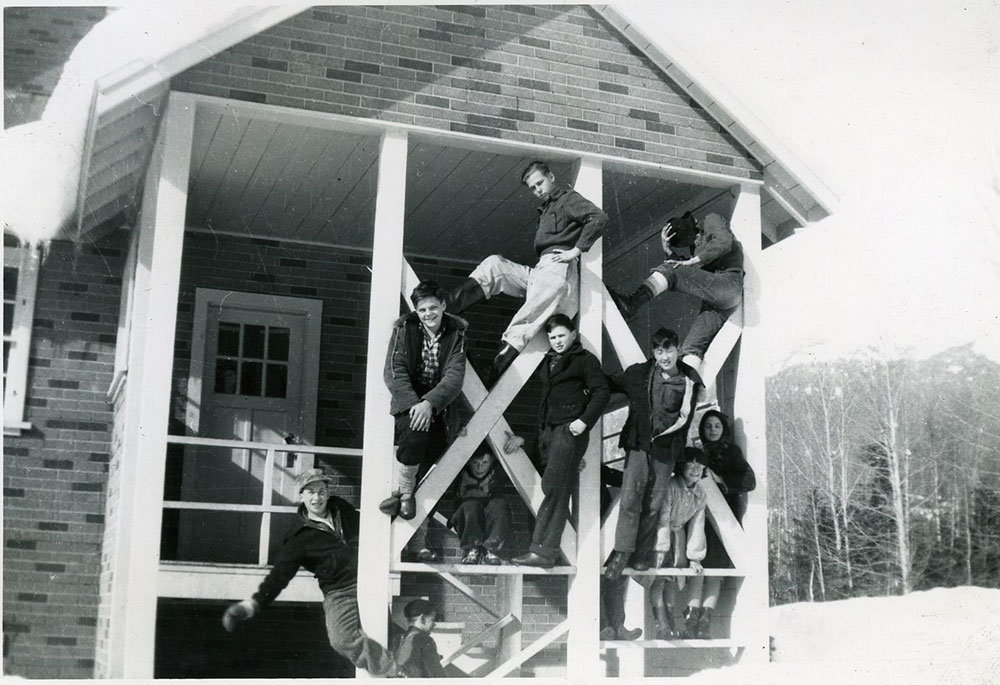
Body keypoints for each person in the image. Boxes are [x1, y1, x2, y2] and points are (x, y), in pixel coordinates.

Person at [221, 469, 396, 676]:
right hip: (339, 590)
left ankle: (404, 665)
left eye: (321, 491)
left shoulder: (341, 508)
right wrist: (252, 604)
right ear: (301, 496)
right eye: (311, 492)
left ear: (328, 493)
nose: (317, 498)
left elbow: (369, 526)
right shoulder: (298, 539)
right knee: (341, 639)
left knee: (386, 632)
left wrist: (389, 512)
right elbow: (278, 577)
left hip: (369, 578)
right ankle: (392, 671)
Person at [444, 161, 608, 381]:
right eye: (533, 188)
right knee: (495, 265)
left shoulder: (568, 199)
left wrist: (576, 251)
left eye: (540, 183)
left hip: (558, 270)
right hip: (541, 271)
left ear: (551, 176)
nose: (537, 190)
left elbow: (598, 217)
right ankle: (448, 307)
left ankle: (493, 370)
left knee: (525, 319)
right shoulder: (546, 209)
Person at [505, 314, 609, 568]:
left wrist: (583, 421)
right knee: (554, 488)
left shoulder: (584, 360)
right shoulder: (549, 361)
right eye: (552, 337)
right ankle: (546, 550)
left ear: (573, 334)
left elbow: (602, 392)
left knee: (553, 487)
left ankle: (543, 550)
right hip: (548, 432)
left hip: (568, 430)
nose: (557, 341)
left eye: (562, 335)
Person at [383, 280, 468, 556]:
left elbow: (454, 376)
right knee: (415, 437)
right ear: (416, 311)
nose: (428, 314)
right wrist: (414, 406)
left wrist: (430, 403)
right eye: (422, 309)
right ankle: (405, 494)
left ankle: (416, 537)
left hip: (438, 407)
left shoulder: (456, 334)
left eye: (433, 307)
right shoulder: (404, 329)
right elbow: (394, 371)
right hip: (410, 405)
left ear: (443, 306)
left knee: (429, 475)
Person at [610, 212, 743, 386]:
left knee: (671, 270)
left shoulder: (711, 219)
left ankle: (632, 303)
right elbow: (687, 272)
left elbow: (724, 242)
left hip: (727, 283)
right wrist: (668, 250)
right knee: (691, 347)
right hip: (717, 300)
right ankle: (685, 395)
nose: (694, 244)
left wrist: (692, 261)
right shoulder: (696, 248)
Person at [602, 328, 693, 580]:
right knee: (631, 500)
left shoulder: (687, 381)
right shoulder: (640, 374)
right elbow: (611, 382)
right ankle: (621, 554)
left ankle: (641, 553)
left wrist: (680, 456)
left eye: (670, 350)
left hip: (666, 453)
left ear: (678, 350)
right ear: (654, 352)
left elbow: (687, 420)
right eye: (660, 351)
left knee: (653, 505)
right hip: (639, 446)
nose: (665, 356)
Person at [685, 410, 756, 638]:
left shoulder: (731, 453)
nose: (713, 430)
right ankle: (690, 619)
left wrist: (721, 480)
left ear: (723, 430)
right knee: (697, 566)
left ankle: (705, 621)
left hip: (724, 517)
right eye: (708, 426)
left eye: (717, 426)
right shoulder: (696, 453)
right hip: (698, 516)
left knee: (715, 571)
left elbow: (749, 480)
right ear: (702, 430)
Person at [647, 448, 709, 640]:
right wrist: (661, 548)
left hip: (679, 536)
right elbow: (663, 518)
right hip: (660, 534)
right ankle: (662, 624)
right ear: (683, 466)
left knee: (672, 581)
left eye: (700, 466)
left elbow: (697, 525)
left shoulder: (700, 493)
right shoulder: (671, 486)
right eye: (691, 465)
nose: (695, 470)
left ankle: (671, 624)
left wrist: (695, 558)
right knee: (658, 579)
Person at [447, 444, 513, 565]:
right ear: (468, 462)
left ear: (492, 461)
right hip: (469, 519)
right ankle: (471, 549)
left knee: (500, 504)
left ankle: (491, 550)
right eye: (475, 463)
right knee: (471, 504)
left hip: (490, 518)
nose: (480, 468)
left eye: (484, 463)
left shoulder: (496, 473)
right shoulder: (461, 475)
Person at [395, 599, 448, 678]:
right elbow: (438, 676)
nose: (434, 624)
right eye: (432, 620)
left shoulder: (399, 639)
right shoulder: (425, 641)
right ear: (422, 619)